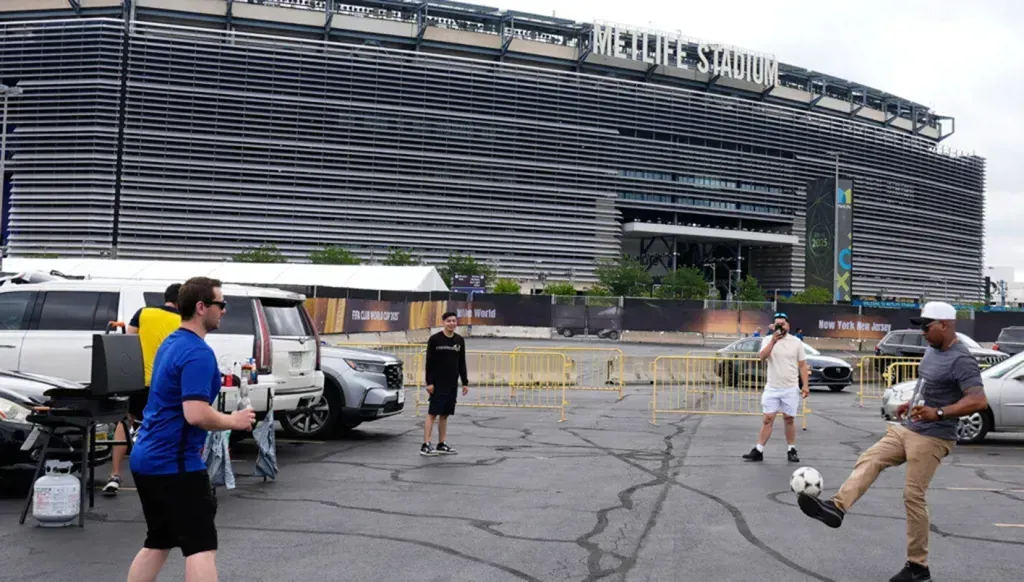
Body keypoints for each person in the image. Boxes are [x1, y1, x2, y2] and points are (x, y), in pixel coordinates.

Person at [797, 301, 988, 582]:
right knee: (871, 458)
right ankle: (837, 508)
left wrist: (938, 413)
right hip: (910, 426)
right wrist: (911, 403)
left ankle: (918, 568)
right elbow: (930, 386)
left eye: (927, 326)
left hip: (935, 436)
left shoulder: (961, 359)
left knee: (913, 496)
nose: (922, 332)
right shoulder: (932, 351)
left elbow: (978, 400)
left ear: (945, 325)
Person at [127, 277, 255, 582]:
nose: (224, 310)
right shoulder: (197, 353)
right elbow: (195, 414)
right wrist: (233, 421)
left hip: (148, 458)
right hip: (175, 464)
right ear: (201, 307)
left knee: (158, 541)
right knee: (201, 547)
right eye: (220, 304)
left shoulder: (172, 342)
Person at [103, 282, 182, 497]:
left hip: (138, 381)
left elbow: (129, 340)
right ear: (181, 301)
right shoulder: (183, 321)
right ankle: (160, 477)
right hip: (165, 383)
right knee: (162, 425)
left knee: (125, 420)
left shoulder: (144, 313)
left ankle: (115, 475)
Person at [742, 312, 809, 463]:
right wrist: (773, 341)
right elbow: (762, 356)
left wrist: (805, 385)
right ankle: (758, 450)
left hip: (790, 387)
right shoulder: (767, 340)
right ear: (773, 326)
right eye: (778, 324)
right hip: (772, 387)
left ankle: (791, 449)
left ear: (788, 325)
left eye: (783, 324)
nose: (781, 327)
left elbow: (803, 365)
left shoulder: (796, 342)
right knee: (767, 418)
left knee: (789, 419)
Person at [421, 311, 469, 457]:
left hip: (452, 383)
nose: (451, 323)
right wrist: (429, 382)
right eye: (449, 321)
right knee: (432, 413)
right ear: (443, 322)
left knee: (445, 414)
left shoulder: (459, 340)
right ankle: (426, 444)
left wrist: (465, 382)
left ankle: (442, 443)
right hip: (437, 383)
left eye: (454, 321)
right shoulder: (435, 339)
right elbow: (429, 362)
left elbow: (461, 362)